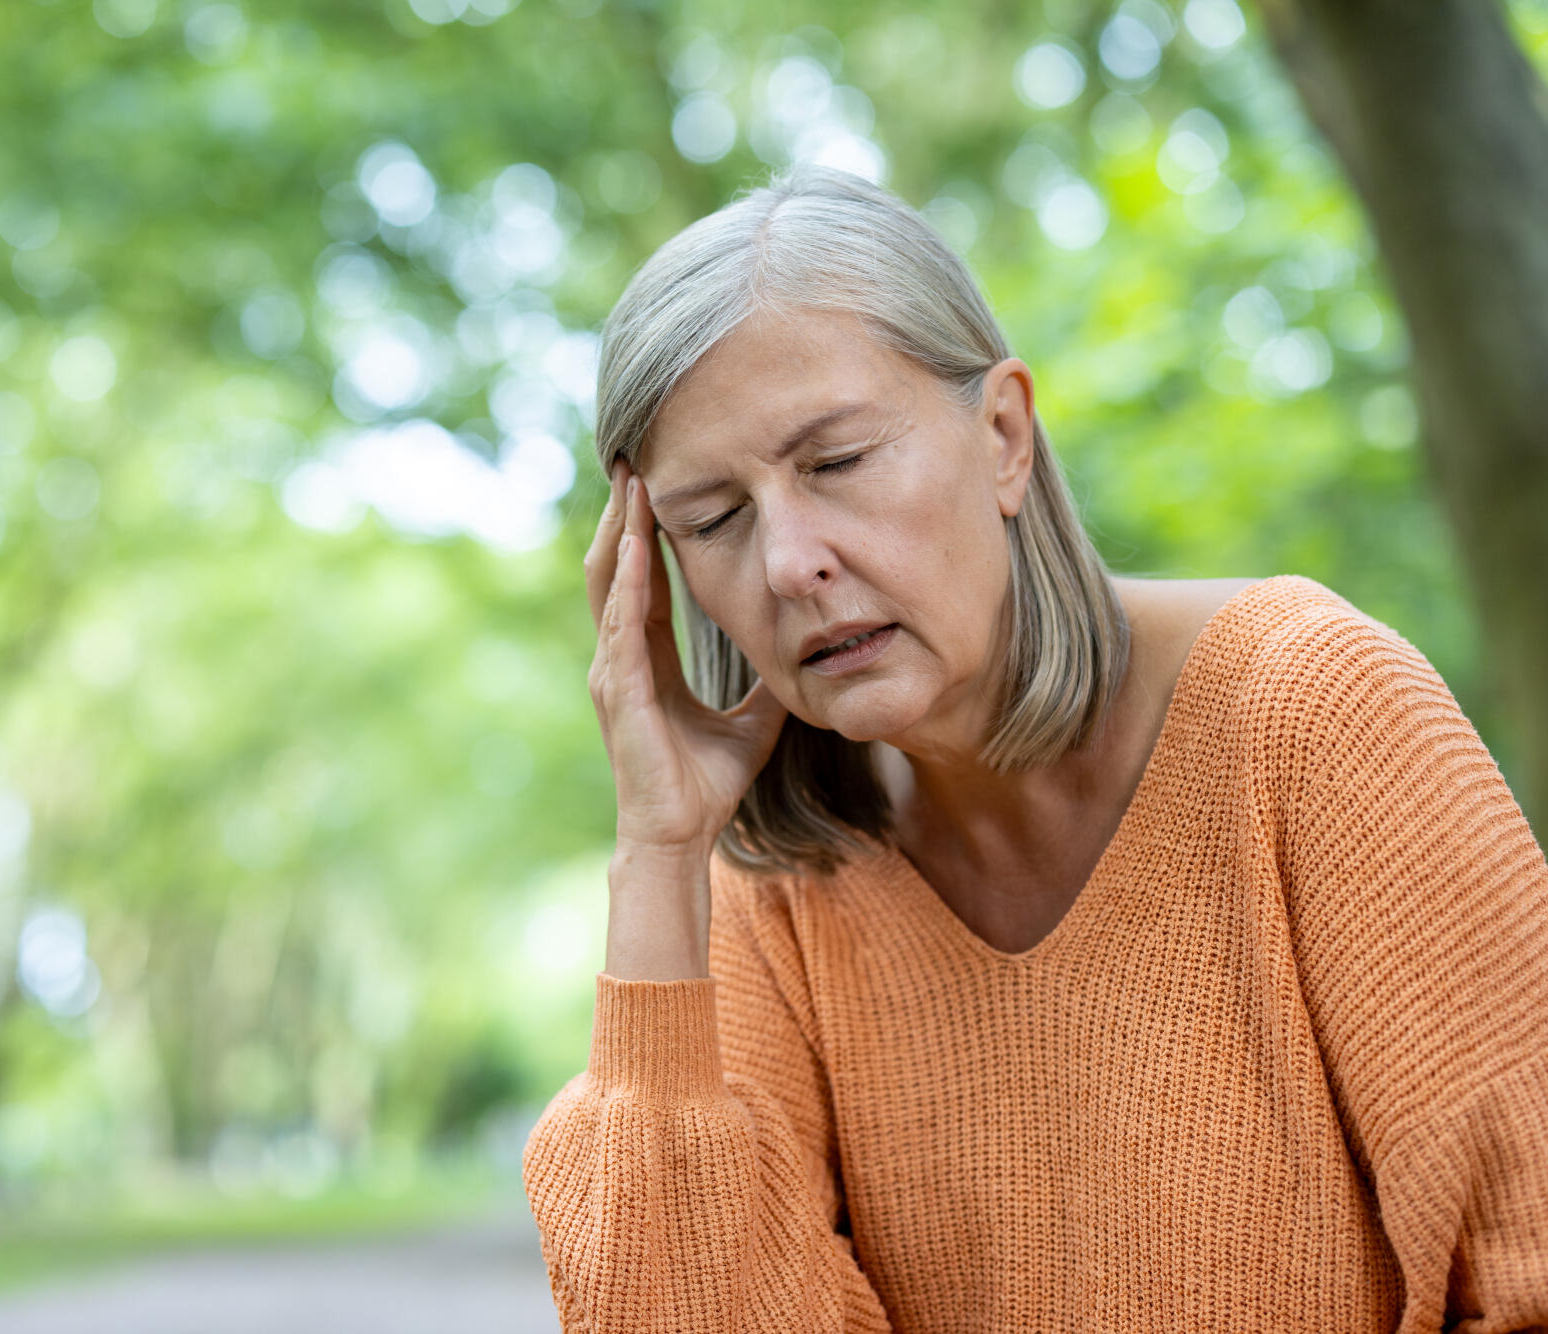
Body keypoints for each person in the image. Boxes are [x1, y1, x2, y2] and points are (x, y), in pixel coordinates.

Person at [521, 162, 1548, 1333]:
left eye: (836, 461)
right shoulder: (776, 893)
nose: (786, 561)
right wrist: (656, 852)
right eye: (712, 519)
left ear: (1002, 434)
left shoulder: (1311, 713)